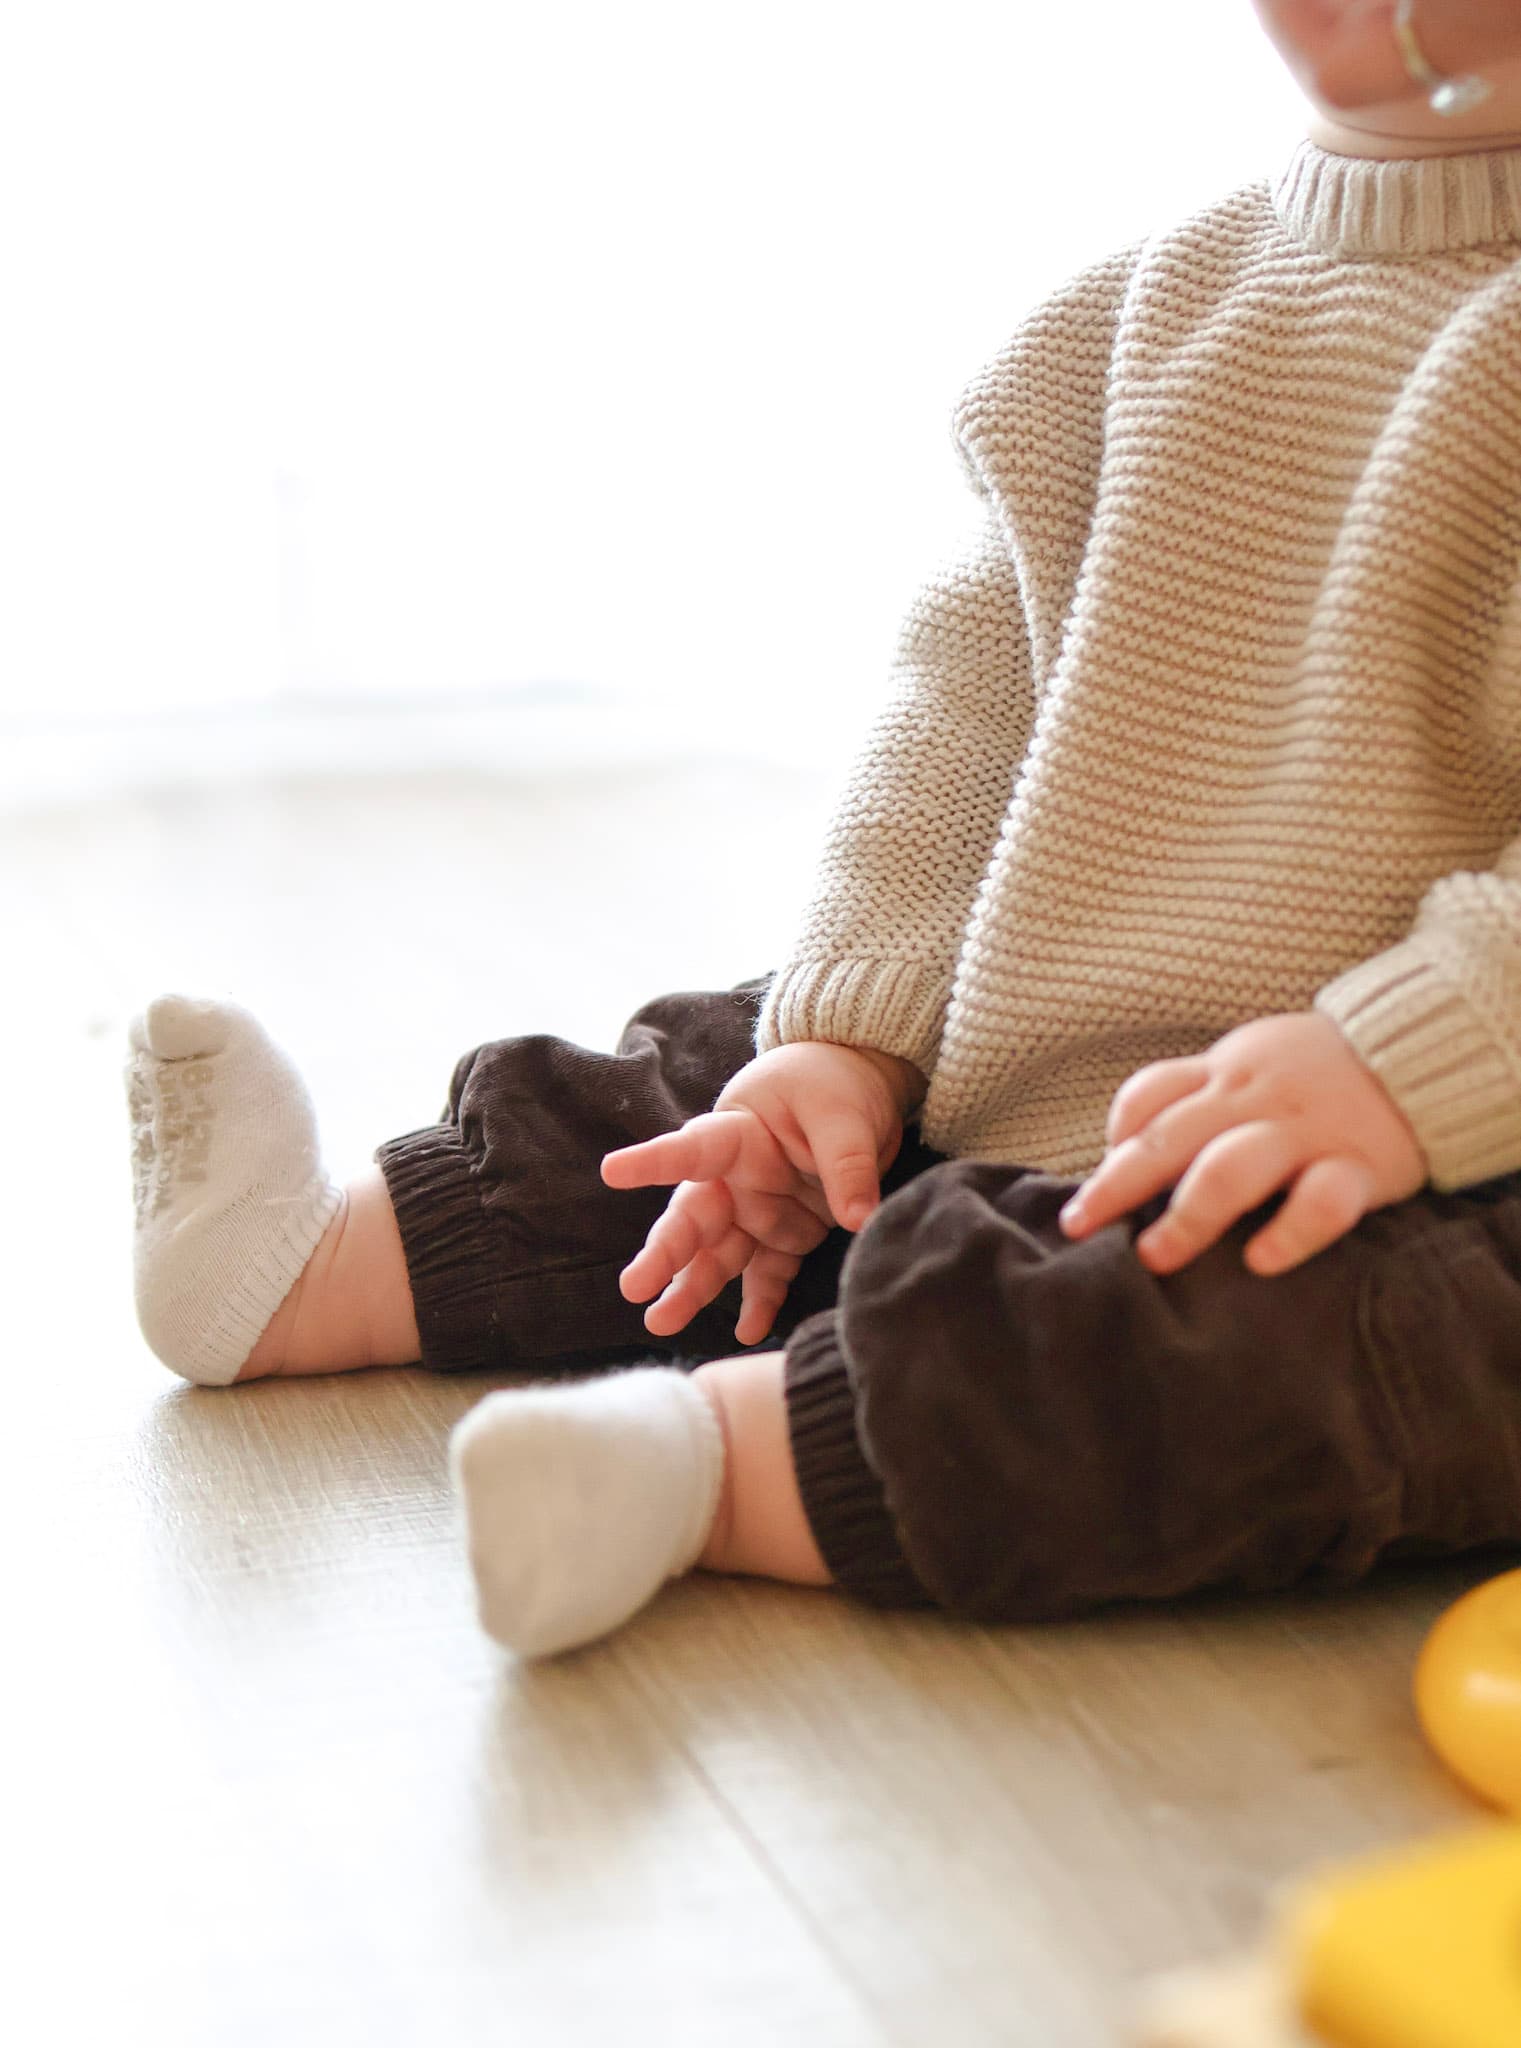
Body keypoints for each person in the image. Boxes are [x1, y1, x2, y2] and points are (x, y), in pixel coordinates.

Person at [128, 0, 1521, 1659]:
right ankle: (308, 1267)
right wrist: (850, 1041)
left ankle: (721, 1466)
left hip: (1437, 1146)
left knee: (1345, 1349)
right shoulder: (1121, 322)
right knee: (737, 1094)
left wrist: (1404, 1057)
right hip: (1057, 1036)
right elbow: (962, 718)